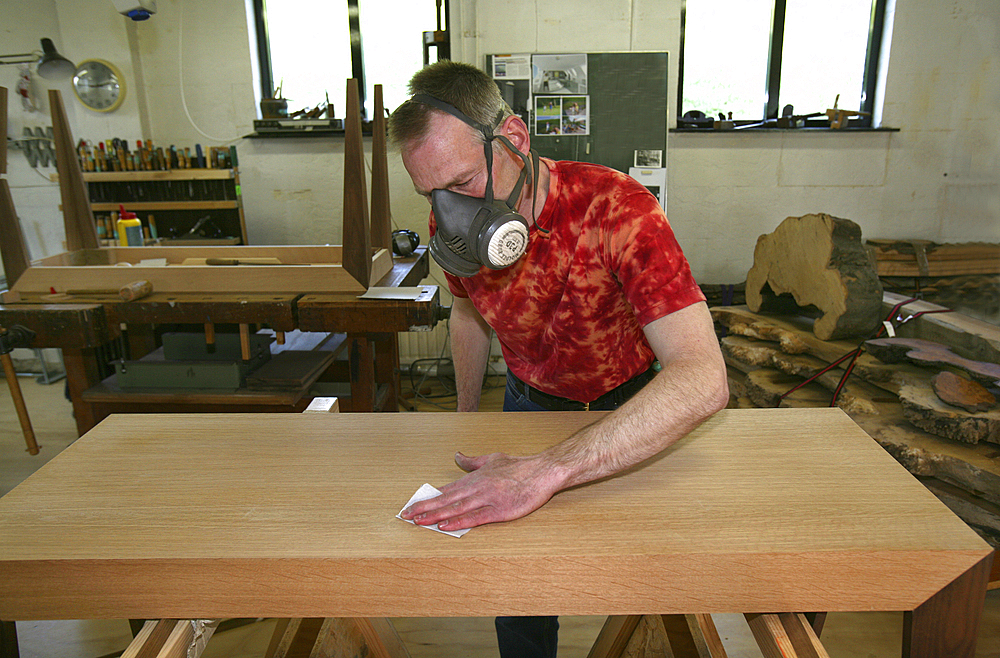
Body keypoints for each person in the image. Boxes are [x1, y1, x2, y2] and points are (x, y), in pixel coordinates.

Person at [389, 61, 728, 658]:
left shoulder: (618, 206)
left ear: (514, 140)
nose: (450, 211)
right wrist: (466, 415)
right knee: (518, 584)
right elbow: (467, 314)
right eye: (431, 193)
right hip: (527, 403)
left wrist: (546, 471)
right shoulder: (455, 232)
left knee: (651, 570)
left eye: (464, 182)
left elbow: (702, 380)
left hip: (631, 402)